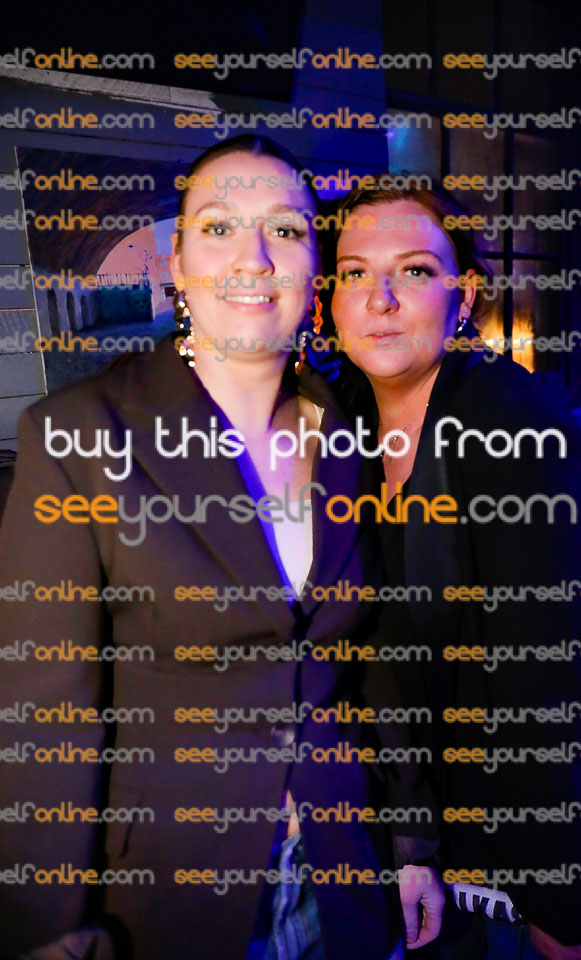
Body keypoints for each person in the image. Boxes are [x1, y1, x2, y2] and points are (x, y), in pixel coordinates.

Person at [0, 138, 442, 960]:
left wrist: (413, 844)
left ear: (314, 267)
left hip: (343, 872)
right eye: (219, 226)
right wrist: (46, 929)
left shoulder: (344, 435)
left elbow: (373, 658)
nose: (254, 257)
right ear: (177, 262)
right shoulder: (79, 434)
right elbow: (42, 715)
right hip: (164, 900)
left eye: (285, 229)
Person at [327, 179, 581, 960]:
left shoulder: (521, 429)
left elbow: (543, 685)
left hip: (554, 770)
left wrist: (555, 895)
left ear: (463, 296)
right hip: (426, 770)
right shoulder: (336, 422)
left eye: (415, 270)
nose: (380, 300)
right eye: (355, 272)